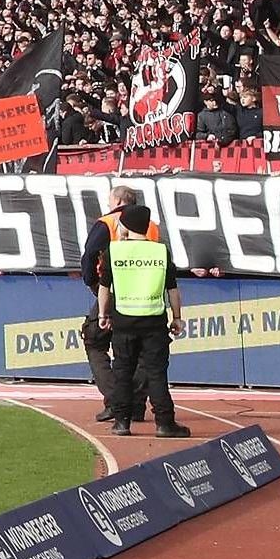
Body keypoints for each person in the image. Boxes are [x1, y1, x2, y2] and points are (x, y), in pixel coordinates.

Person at [96, 203, 191, 439]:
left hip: (124, 322)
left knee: (122, 372)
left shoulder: (113, 251)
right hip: (154, 322)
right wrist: (177, 317)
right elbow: (172, 290)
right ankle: (164, 423)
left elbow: (104, 288)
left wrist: (102, 315)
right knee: (156, 374)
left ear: (126, 226)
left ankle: (121, 422)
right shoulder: (160, 251)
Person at [78, 185, 155, 424]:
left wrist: (92, 282)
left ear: (119, 200)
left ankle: (117, 400)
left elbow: (90, 253)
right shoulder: (151, 225)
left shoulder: (108, 222)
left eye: (110, 199)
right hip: (148, 294)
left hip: (114, 290)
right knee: (142, 351)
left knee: (94, 341)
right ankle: (137, 404)